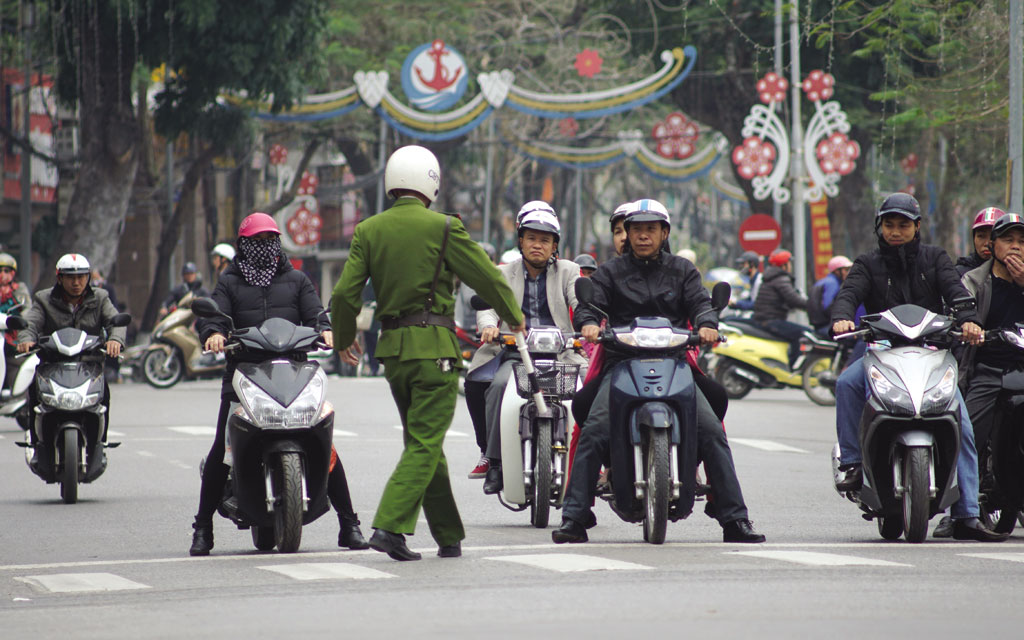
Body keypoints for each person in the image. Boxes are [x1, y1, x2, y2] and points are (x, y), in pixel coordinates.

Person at [331, 145, 524, 561]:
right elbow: (486, 276)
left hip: (395, 356)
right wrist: (514, 315)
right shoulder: (443, 228)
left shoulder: (369, 230)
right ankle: (389, 526)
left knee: (423, 440)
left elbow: (345, 295)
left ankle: (448, 535)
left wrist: (345, 336)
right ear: (431, 184)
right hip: (434, 350)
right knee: (423, 443)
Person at [552, 202, 765, 544]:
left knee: (712, 430)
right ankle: (575, 516)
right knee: (592, 429)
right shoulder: (611, 271)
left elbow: (700, 303)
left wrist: (708, 324)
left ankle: (733, 518)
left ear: (665, 233)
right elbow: (590, 305)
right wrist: (589, 323)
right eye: (637, 229)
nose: (644, 235)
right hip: (621, 364)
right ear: (629, 233)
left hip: (676, 364)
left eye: (652, 229)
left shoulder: (683, 270)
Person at [188, 212, 368, 556]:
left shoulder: (298, 280)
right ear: (243, 245)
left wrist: (327, 329)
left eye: (269, 240)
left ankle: (350, 524)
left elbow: (316, 313)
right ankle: (202, 528)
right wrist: (213, 334)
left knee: (324, 444)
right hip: (244, 374)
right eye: (256, 242)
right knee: (221, 453)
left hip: (293, 372)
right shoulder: (229, 282)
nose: (263, 247)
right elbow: (213, 316)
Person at [829, 192, 1005, 542]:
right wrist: (841, 318)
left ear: (917, 227)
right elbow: (848, 294)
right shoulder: (867, 263)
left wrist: (968, 320)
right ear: (880, 227)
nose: (896, 232)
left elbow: (956, 292)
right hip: (881, 352)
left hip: (933, 353)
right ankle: (850, 462)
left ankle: (968, 514)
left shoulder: (935, 259)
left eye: (904, 225)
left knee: (963, 426)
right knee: (847, 384)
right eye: (890, 225)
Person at [466, 203, 585, 495]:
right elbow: (489, 307)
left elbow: (580, 304)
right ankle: (493, 460)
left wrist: (588, 323)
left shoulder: (570, 271)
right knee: (493, 386)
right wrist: (489, 327)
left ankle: (594, 463)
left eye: (545, 240)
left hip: (561, 354)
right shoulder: (503, 272)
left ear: (554, 245)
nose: (537, 245)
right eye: (531, 238)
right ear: (520, 240)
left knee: (593, 390)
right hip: (515, 354)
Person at [943, 212, 1024, 538]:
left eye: (1022, 242)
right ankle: (962, 510)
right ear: (992, 245)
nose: (1016, 248)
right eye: (1008, 240)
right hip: (988, 370)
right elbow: (958, 317)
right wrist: (969, 328)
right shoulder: (974, 281)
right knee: (966, 432)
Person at [17, 254, 125, 470]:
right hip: (52, 364)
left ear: (88, 277)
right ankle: (36, 443)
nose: (76, 283)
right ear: (59, 278)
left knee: (104, 393)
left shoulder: (101, 297)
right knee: (34, 395)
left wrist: (115, 340)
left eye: (81, 277)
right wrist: (26, 339)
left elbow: (116, 321)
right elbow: (30, 323)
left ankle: (99, 443)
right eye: (70, 278)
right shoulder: (43, 299)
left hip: (89, 365)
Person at [752, 249, 810, 367]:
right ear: (784, 265)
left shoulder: (770, 277)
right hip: (771, 321)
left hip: (764, 319)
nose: (790, 266)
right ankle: (794, 367)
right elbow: (793, 299)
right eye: (789, 263)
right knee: (804, 334)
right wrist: (813, 306)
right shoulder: (781, 278)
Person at [0, 252, 31, 386]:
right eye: (0, 271)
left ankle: (9, 387)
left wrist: (21, 321)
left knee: (13, 357)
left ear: (12, 273)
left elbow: (27, 309)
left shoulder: (19, 289)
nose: (2, 275)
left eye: (6, 271)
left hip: (13, 332)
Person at [807, 255, 853, 335]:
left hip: (819, 326)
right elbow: (827, 306)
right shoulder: (833, 283)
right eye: (846, 270)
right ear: (837, 271)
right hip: (826, 327)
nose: (848, 272)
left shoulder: (825, 281)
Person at [956, 207, 1004, 276]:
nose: (987, 244)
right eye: (981, 236)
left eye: (993, 237)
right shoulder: (961, 274)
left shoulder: (1016, 273)